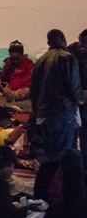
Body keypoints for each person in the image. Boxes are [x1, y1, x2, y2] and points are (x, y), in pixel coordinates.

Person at [30, 29, 82, 162]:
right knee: (64, 153)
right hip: (62, 111)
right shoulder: (67, 57)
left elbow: (33, 90)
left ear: (48, 42)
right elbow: (73, 87)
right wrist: (81, 99)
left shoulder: (40, 60)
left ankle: (52, 180)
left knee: (51, 152)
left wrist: (36, 110)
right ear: (62, 38)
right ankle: (62, 181)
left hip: (43, 113)